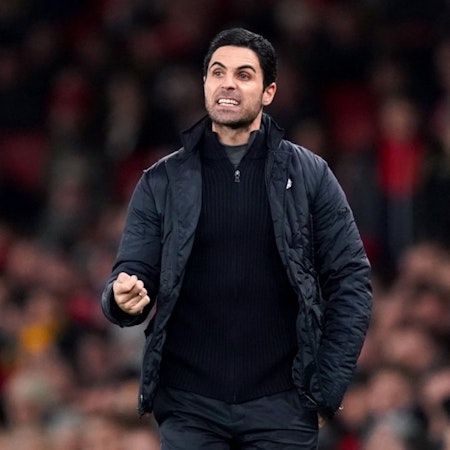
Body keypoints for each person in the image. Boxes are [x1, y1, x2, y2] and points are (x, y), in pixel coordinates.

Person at [101, 27, 372, 450]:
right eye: (218, 72)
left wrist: (327, 387)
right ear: (204, 84)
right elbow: (131, 273)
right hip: (189, 407)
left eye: (244, 75)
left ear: (269, 92)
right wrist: (121, 299)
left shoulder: (311, 175)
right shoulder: (161, 180)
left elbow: (351, 280)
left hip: (283, 405)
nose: (228, 83)